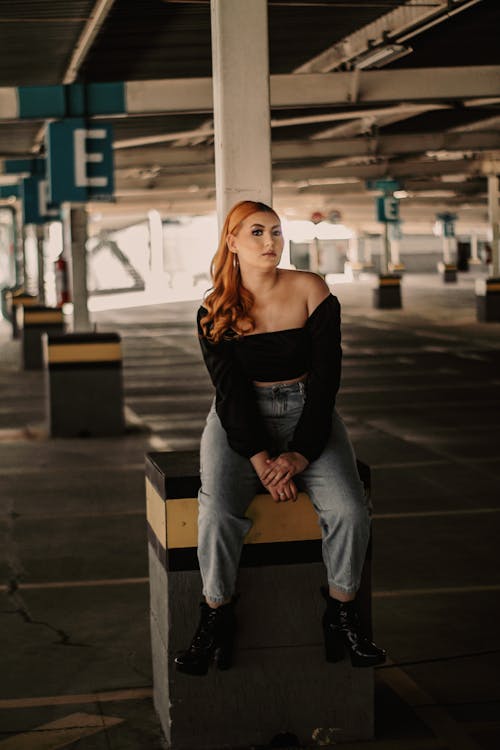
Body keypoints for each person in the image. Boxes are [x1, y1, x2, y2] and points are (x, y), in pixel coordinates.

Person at [175, 200, 386, 676]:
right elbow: (229, 397)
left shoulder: (310, 289)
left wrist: (299, 454)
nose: (270, 243)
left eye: (275, 232)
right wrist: (262, 462)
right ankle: (215, 615)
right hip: (240, 419)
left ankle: (342, 613)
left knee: (350, 511)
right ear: (232, 242)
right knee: (216, 513)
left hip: (307, 410)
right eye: (256, 233)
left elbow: (328, 379)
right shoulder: (214, 310)